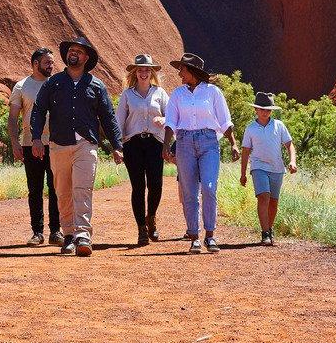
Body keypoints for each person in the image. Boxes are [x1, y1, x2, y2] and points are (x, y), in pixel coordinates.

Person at [30, 35, 122, 257]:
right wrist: (36, 138)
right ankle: (68, 235)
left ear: (86, 58)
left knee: (82, 189)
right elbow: (38, 109)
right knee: (62, 192)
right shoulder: (54, 83)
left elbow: (108, 117)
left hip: (85, 145)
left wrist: (116, 145)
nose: (74, 53)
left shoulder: (96, 86)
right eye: (71, 50)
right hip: (58, 144)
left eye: (79, 51)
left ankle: (83, 234)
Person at [162, 52, 237, 254]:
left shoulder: (213, 92)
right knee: (189, 192)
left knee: (210, 188)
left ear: (192, 71)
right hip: (184, 142)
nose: (179, 74)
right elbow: (170, 122)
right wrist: (166, 145)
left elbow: (225, 120)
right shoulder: (177, 94)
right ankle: (194, 237)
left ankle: (210, 235)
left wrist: (233, 144)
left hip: (209, 142)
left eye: (182, 69)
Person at [7, 46, 61, 247]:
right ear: (35, 64)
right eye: (47, 62)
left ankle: (56, 231)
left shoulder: (57, 84)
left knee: (56, 188)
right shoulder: (22, 86)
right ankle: (37, 232)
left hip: (56, 143)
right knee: (35, 189)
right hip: (30, 143)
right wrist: (14, 142)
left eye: (52, 63)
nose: (51, 66)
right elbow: (13, 118)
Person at [115, 54, 168, 246]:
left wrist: (163, 120)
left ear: (151, 72)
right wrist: (117, 146)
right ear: (135, 73)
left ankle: (151, 216)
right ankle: (141, 229)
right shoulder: (127, 94)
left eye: (147, 69)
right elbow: (119, 120)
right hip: (133, 144)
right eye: (140, 69)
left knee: (156, 184)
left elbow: (171, 117)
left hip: (155, 143)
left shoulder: (160, 93)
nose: (144, 73)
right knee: (138, 187)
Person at [239, 92, 297, 246]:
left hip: (277, 168)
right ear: (256, 110)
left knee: (273, 202)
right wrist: (243, 174)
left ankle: (269, 229)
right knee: (264, 196)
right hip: (258, 167)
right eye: (262, 109)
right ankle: (265, 233)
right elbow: (245, 151)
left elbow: (289, 144)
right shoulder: (250, 128)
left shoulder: (279, 125)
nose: (265, 112)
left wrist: (292, 161)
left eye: (268, 110)